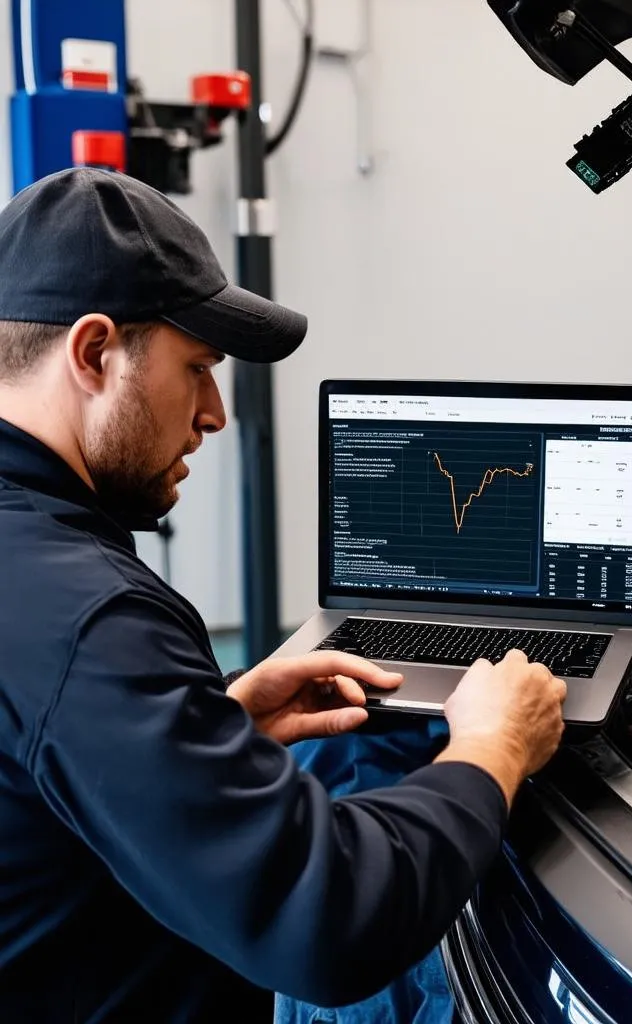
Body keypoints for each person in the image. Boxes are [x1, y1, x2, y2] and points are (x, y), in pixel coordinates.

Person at [0, 167, 567, 1022]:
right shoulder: (89, 617)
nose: (215, 413)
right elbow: (330, 924)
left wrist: (208, 726)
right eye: (196, 367)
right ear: (93, 353)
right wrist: (495, 746)